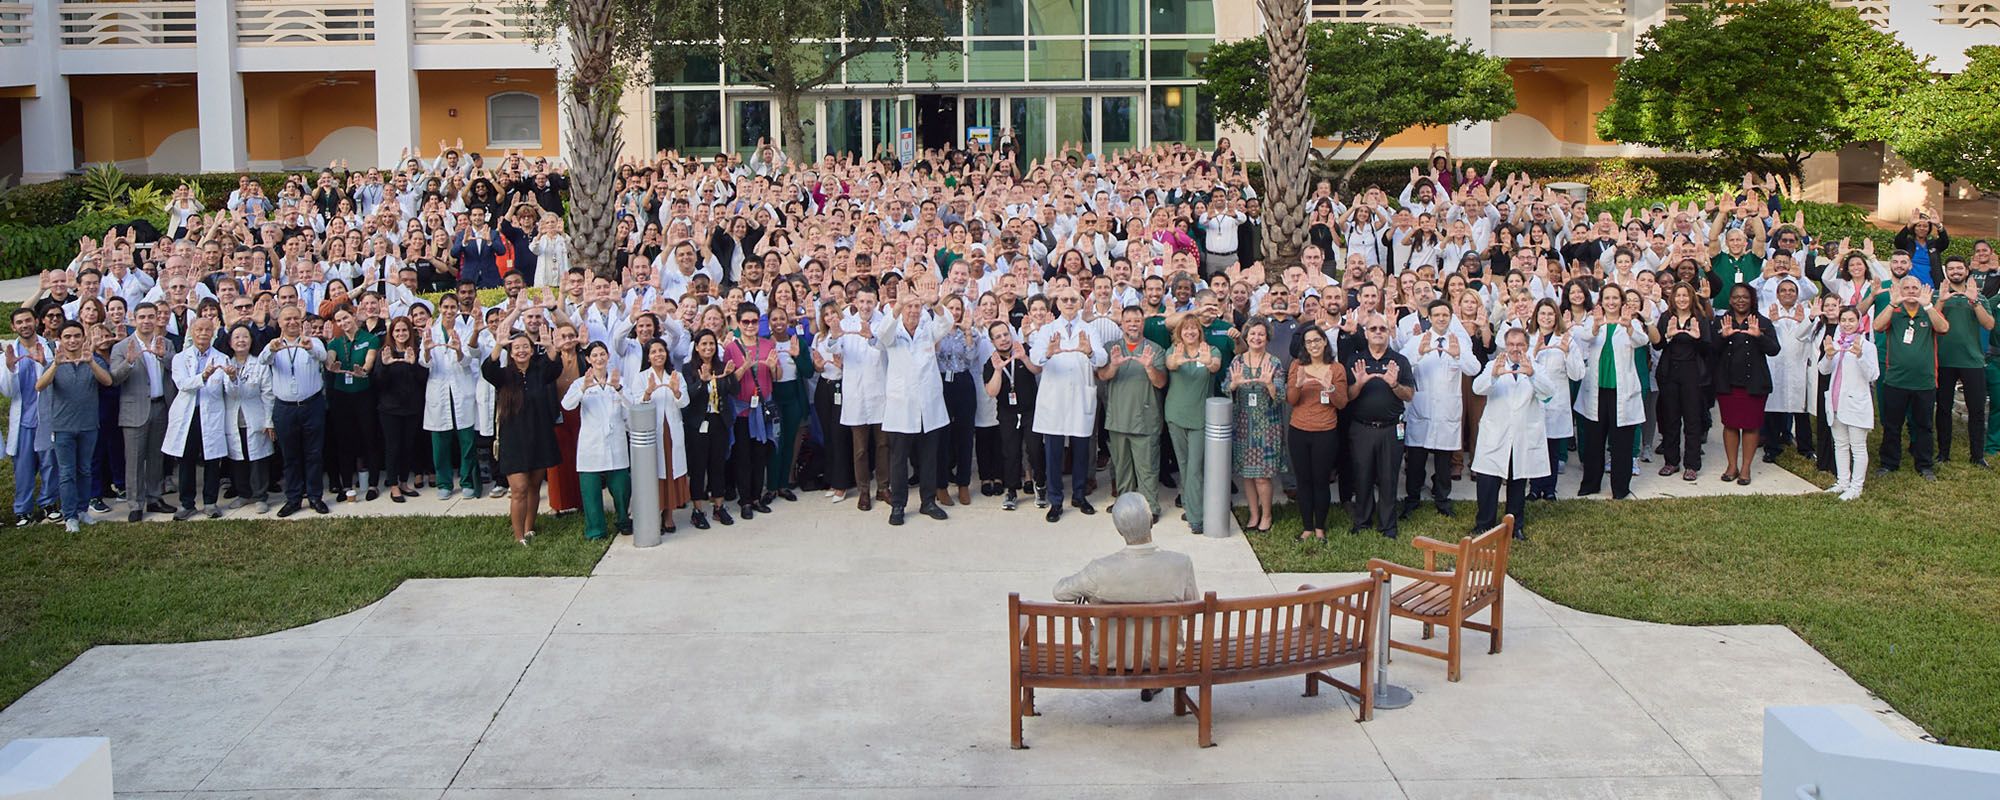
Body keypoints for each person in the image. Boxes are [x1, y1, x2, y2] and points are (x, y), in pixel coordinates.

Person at [1051, 491, 1200, 696]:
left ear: (1119, 530)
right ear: (1150, 521)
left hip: (1111, 658)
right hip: (1165, 657)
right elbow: (1190, 610)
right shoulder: (1181, 564)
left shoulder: (1099, 570)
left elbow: (1059, 592)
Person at [1470, 328, 1555, 541]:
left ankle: (1514, 526)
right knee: (1488, 482)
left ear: (1527, 346)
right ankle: (1484, 525)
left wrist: (1532, 375)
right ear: (1505, 346)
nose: (1515, 349)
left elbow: (1549, 392)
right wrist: (1494, 376)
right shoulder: (1494, 365)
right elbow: (1477, 389)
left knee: (1517, 482)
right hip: (1495, 434)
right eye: (1511, 345)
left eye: (1520, 345)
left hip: (1522, 435)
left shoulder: (1535, 367)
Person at [877, 292, 953, 526]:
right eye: (909, 306)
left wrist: (935, 303)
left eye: (917, 306)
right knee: (899, 459)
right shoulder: (894, 330)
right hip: (902, 405)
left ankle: (928, 502)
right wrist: (897, 306)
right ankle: (898, 504)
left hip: (928, 404)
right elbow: (882, 334)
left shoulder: (927, 328)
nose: (913, 311)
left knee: (929, 457)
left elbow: (947, 323)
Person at [1032, 288, 1108, 522]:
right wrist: (1048, 352)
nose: (1068, 303)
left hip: (1079, 395)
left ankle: (1078, 495)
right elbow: (1035, 358)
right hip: (1054, 398)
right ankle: (1055, 500)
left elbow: (1103, 358)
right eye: (1064, 299)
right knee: (1053, 452)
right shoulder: (1047, 330)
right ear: (1057, 303)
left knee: (1081, 450)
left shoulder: (1089, 329)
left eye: (1073, 299)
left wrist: (1090, 352)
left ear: (1080, 303)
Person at [483, 327, 563, 545]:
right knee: (518, 489)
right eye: (516, 347)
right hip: (514, 441)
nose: (521, 351)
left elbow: (556, 367)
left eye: (525, 347)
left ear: (531, 350)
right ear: (510, 352)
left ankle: (529, 529)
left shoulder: (540, 371)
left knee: (534, 486)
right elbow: (487, 370)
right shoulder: (503, 376)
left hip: (539, 437)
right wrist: (498, 344)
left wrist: (549, 347)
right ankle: (518, 537)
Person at [1402, 300, 1480, 519]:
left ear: (1451, 317)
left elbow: (1474, 368)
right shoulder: (1417, 340)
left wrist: (1457, 355)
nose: (1441, 319)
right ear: (1429, 318)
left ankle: (1443, 499)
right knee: (1416, 461)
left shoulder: (1459, 342)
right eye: (1437, 315)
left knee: (1444, 462)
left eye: (1445, 315)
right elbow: (1401, 365)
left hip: (1447, 411)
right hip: (1421, 410)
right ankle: (1412, 499)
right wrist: (1419, 353)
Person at [1573, 286, 1650, 499]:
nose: (1611, 301)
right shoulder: (1593, 320)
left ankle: (1620, 488)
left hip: (1621, 392)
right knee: (1594, 440)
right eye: (1607, 298)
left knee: (1622, 443)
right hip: (1597, 390)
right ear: (1601, 301)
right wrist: (1597, 326)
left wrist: (1629, 328)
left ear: (1622, 301)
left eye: (1615, 297)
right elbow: (1584, 337)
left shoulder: (1631, 321)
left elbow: (1642, 341)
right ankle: (1591, 484)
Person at [37, 320, 114, 531]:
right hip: (63, 428)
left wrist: (90, 362)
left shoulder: (92, 360)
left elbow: (107, 381)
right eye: (67, 337)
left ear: (83, 338)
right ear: (60, 340)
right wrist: (55, 364)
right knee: (66, 472)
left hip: (88, 425)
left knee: (85, 470)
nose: (72, 341)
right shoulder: (55, 363)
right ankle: (69, 515)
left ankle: (82, 510)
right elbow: (40, 385)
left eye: (76, 336)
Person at [1343, 313, 1415, 538]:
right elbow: (1346, 397)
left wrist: (1394, 385)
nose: (1377, 332)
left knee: (1388, 478)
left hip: (1391, 429)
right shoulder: (1356, 361)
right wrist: (1359, 383)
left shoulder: (1399, 361)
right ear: (1365, 333)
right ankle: (1362, 522)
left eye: (1382, 329)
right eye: (1373, 328)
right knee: (1362, 476)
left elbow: (1409, 395)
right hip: (1362, 428)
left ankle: (1387, 525)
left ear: (1387, 332)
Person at [1873, 276, 1948, 481]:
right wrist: (1892, 302)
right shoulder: (1895, 312)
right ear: (1900, 289)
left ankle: (1925, 465)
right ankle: (1889, 463)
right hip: (1896, 380)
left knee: (1924, 425)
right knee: (1892, 424)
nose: (1911, 291)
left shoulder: (1927, 311)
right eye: (1907, 287)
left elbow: (1943, 328)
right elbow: (1877, 326)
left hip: (1924, 382)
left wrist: (1930, 305)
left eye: (1915, 287)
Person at [260, 305, 331, 516]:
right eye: (287, 319)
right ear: (280, 323)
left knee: (314, 453)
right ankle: (293, 498)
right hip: (285, 409)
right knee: (290, 456)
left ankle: (315, 497)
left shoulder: (313, 341)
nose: (292, 322)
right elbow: (263, 360)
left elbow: (323, 356)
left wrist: (309, 347)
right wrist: (271, 350)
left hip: (312, 405)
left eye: (295, 318)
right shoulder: (273, 345)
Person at [1097, 306, 1167, 520]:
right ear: (1122, 323)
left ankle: (1150, 508)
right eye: (1128, 321)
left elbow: (1161, 382)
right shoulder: (1111, 348)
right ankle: (1125, 504)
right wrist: (1115, 366)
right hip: (1118, 418)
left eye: (1137, 320)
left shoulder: (1155, 350)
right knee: (1122, 467)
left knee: (1147, 468)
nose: (1133, 324)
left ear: (1143, 323)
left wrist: (1148, 367)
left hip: (1145, 419)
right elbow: (1103, 375)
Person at [110, 303, 176, 521]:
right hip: (134, 411)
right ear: (134, 319)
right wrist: (128, 363)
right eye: (142, 317)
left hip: (161, 406)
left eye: (150, 316)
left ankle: (155, 498)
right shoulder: (122, 347)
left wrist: (162, 357)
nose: (146, 321)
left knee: (157, 457)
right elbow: (114, 378)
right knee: (135, 459)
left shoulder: (165, 343)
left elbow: (175, 369)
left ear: (157, 318)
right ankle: (135, 504)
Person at [1284, 326, 1349, 543]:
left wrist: (1329, 388)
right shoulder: (1297, 366)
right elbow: (1291, 400)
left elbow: (1342, 403)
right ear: (1304, 346)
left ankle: (1320, 528)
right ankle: (1307, 528)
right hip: (1299, 431)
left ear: (1324, 342)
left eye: (1317, 340)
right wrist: (1299, 384)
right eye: (1309, 342)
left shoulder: (1336, 368)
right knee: (1304, 481)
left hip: (1325, 432)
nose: (1313, 345)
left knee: (1320, 481)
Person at [1714, 283, 1783, 485]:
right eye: (1736, 297)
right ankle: (1732, 465)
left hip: (1754, 383)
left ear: (1752, 300)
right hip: (1728, 382)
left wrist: (1759, 336)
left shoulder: (1762, 322)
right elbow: (1710, 349)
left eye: (1745, 297)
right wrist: (1722, 336)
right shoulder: (1721, 321)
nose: (1740, 300)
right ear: (1730, 300)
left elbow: (1774, 349)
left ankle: (1745, 468)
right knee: (1731, 424)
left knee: (1751, 426)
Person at [562, 341, 633, 539]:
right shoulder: (580, 382)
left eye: (602, 354)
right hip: (590, 445)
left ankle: (623, 520)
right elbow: (567, 405)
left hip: (616, 442)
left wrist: (618, 388)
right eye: (595, 355)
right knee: (591, 492)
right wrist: (583, 388)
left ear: (608, 356)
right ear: (588, 359)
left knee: (621, 487)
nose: (599, 359)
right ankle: (595, 530)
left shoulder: (619, 380)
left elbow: (631, 404)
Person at [163, 316, 230, 520]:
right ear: (191, 332)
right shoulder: (180, 358)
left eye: (207, 330)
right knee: (187, 459)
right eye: (199, 330)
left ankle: (210, 502)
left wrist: (233, 377)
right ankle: (187, 503)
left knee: (212, 459)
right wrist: (203, 377)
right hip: (188, 415)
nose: (203, 333)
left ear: (213, 333)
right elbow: (182, 384)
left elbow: (228, 388)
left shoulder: (221, 358)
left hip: (211, 414)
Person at [1932, 256, 1994, 468]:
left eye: (1960, 268)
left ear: (1967, 271)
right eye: (1951, 268)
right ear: (1946, 271)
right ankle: (1943, 453)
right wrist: (1941, 299)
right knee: (1943, 408)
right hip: (1944, 361)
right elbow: (1932, 321)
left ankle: (1977, 455)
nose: (1956, 271)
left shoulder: (1979, 297)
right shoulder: (1936, 296)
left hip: (1972, 361)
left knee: (1976, 409)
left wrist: (1974, 301)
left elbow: (1989, 324)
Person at [1227, 318, 1286, 533]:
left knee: (1261, 475)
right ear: (1246, 336)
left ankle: (1267, 515)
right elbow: (1226, 389)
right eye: (1252, 334)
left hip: (1266, 424)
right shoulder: (1237, 362)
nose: (1256, 338)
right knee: (1247, 474)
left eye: (1261, 334)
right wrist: (1233, 385)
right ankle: (1254, 514)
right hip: (1243, 422)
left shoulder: (1275, 363)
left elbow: (1281, 397)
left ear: (1267, 337)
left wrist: (1269, 384)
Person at [3, 307, 58, 526]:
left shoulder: (49, 348)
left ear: (36, 322)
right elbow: (7, 392)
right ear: (13, 327)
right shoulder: (9, 352)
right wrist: (10, 369)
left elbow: (56, 383)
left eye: (28, 321)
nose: (24, 325)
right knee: (23, 468)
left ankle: (48, 503)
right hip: (23, 421)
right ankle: (23, 510)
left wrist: (45, 363)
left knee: (50, 463)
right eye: (19, 322)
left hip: (46, 418)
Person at [1652, 283, 1713, 480]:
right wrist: (1669, 336)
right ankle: (1671, 462)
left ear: (1691, 298)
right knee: (1670, 419)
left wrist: (1696, 338)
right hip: (1670, 373)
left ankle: (1692, 464)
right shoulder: (1666, 317)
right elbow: (1659, 344)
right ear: (1672, 298)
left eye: (1685, 295)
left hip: (1692, 374)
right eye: (1678, 295)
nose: (1681, 299)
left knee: (1692, 420)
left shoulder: (1700, 319)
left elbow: (1708, 349)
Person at [724, 302, 780, 519]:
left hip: (762, 408)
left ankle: (756, 497)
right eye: (745, 321)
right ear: (738, 323)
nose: (749, 325)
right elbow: (729, 382)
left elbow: (777, 376)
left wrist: (773, 366)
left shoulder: (768, 344)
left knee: (760, 454)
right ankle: (745, 499)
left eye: (754, 321)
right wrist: (745, 367)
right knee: (743, 456)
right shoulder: (732, 348)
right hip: (742, 410)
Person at [630, 338, 691, 533]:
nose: (658, 354)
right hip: (652, 432)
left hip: (671, 431)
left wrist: (676, 392)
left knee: (671, 471)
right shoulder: (640, 378)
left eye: (661, 350)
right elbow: (636, 404)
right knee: (653, 473)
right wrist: (647, 393)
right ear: (648, 356)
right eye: (654, 351)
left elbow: (685, 403)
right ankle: (653, 514)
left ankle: (669, 515)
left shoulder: (676, 376)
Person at [1819, 306, 1879, 501]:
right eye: (1843, 320)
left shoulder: (1867, 346)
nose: (1847, 324)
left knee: (1858, 446)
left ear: (1859, 322)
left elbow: (1873, 375)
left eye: (1851, 320)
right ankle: (1842, 482)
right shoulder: (1835, 344)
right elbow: (1823, 370)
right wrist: (1828, 356)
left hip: (1856, 403)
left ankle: (1856, 486)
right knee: (1840, 444)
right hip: (1836, 402)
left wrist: (1860, 356)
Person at [681, 329, 737, 528]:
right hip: (698, 424)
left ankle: (719, 507)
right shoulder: (688, 369)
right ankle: (697, 510)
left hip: (718, 421)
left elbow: (734, 391)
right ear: (696, 347)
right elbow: (688, 397)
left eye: (711, 344)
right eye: (703, 344)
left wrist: (730, 376)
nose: (708, 348)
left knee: (718, 465)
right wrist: (701, 382)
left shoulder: (721, 366)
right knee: (698, 467)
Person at [219, 324, 274, 513]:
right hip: (233, 419)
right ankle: (244, 494)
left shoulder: (259, 363)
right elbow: (230, 393)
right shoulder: (225, 363)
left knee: (257, 459)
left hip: (255, 417)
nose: (241, 341)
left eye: (245, 337)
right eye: (237, 337)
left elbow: (268, 393)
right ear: (230, 342)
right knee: (238, 458)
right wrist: (232, 379)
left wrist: (269, 421)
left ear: (251, 341)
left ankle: (260, 496)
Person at [373, 316, 428, 502]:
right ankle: (394, 484)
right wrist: (387, 366)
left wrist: (413, 365)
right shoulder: (386, 352)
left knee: (407, 446)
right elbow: (378, 382)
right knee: (393, 447)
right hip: (390, 410)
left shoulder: (416, 351)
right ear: (391, 333)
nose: (401, 334)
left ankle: (404, 482)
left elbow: (423, 379)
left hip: (411, 408)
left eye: (404, 330)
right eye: (397, 331)